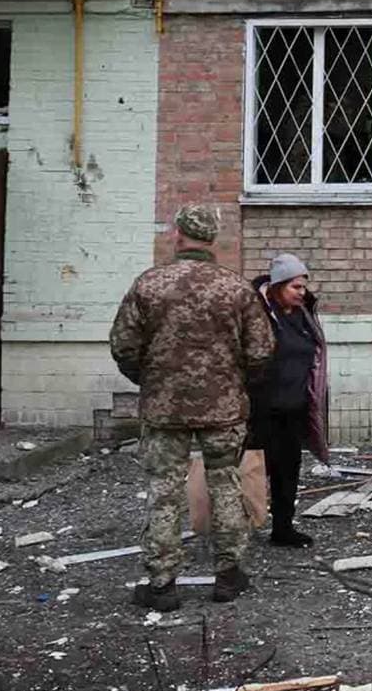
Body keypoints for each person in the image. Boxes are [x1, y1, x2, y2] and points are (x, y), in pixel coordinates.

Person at [109, 206, 275, 611]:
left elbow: (124, 345)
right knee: (225, 485)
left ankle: (162, 584)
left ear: (178, 233)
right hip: (223, 406)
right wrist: (237, 383)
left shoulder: (149, 284)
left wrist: (149, 381)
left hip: (165, 409)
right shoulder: (235, 289)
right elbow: (261, 350)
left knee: (164, 492)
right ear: (213, 237)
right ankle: (228, 574)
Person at [248, 253, 332, 547]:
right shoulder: (257, 314)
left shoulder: (303, 315)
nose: (302, 292)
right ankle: (234, 530)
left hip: (294, 408)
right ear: (278, 285)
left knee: (288, 469)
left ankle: (282, 528)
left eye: (303, 286)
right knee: (253, 469)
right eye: (296, 287)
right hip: (260, 410)